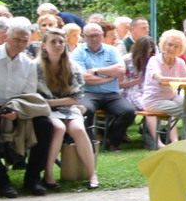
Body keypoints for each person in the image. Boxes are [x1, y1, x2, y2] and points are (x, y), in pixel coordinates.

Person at [0, 19, 54, 197]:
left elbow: (27, 96)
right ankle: (2, 182)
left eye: (24, 40)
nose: (20, 44)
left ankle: (33, 179)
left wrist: (17, 113)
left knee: (45, 125)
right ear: (6, 37)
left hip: (15, 107)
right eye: (16, 39)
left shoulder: (28, 64)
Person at [35, 28, 98, 190]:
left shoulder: (73, 66)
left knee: (78, 128)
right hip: (45, 109)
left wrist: (52, 103)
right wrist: (50, 104)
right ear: (44, 45)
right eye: (53, 42)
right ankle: (48, 173)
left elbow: (76, 97)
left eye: (61, 42)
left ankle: (92, 173)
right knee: (58, 127)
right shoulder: (35, 67)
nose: (58, 45)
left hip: (67, 107)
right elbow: (33, 95)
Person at [72, 22, 135, 150]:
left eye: (97, 35)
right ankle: (89, 143)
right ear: (84, 36)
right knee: (85, 110)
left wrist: (96, 71)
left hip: (111, 93)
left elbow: (121, 70)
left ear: (102, 35)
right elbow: (84, 78)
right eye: (90, 36)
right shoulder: (78, 52)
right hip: (88, 93)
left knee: (128, 112)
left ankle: (111, 142)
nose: (94, 39)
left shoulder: (112, 50)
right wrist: (109, 77)